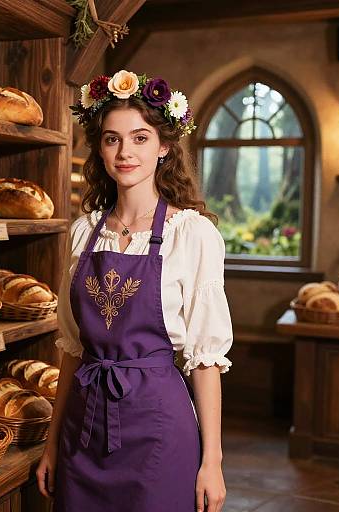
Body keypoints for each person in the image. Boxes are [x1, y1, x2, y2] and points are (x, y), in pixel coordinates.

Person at [36, 70, 233, 511]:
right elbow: (72, 350)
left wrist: (213, 461)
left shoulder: (192, 234)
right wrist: (51, 444)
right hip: (82, 431)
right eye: (112, 139)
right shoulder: (84, 232)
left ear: (164, 147)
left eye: (140, 138)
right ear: (100, 148)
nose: (125, 152)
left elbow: (205, 361)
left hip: (159, 434)